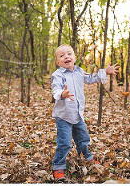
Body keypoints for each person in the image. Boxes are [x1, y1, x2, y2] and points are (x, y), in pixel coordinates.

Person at [50, 44, 119, 180]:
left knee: (83, 139)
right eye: (62, 56)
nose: (66, 57)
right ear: (58, 62)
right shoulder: (57, 75)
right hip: (63, 116)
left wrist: (105, 71)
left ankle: (87, 158)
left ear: (74, 58)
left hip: (77, 114)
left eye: (69, 54)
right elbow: (55, 90)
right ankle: (58, 166)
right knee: (65, 143)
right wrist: (62, 94)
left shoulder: (79, 71)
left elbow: (91, 78)